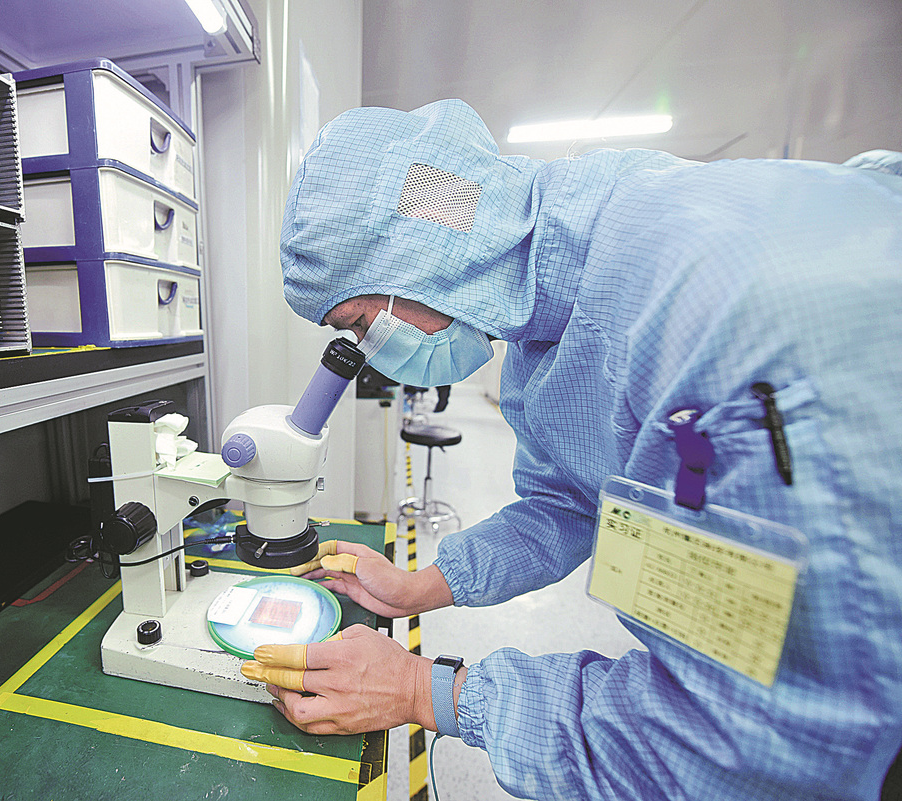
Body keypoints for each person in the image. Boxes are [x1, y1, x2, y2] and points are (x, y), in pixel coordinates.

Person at [237, 99, 902, 800]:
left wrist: (424, 690)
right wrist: (417, 587)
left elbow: (748, 743)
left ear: (415, 256)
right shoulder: (552, 310)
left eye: (360, 323)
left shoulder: (706, 316)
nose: (371, 350)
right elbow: (567, 504)